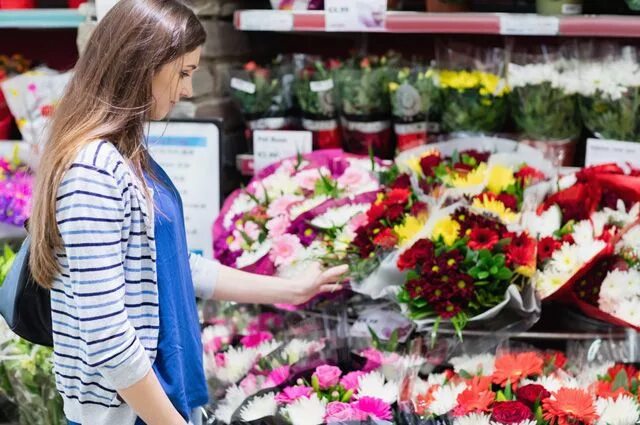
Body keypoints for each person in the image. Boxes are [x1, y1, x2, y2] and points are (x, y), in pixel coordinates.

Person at [28, 1, 348, 424]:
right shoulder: (93, 172)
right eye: (182, 73)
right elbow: (107, 336)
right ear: (140, 63)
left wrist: (291, 290)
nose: (188, 91)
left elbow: (177, 267)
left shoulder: (126, 156)